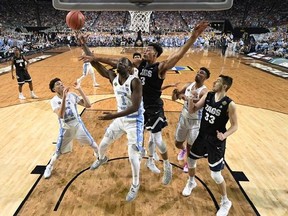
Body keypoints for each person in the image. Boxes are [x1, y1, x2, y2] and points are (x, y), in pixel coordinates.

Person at [82, 21, 209, 185]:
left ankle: (166, 165)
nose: (145, 50)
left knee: (157, 141)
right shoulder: (138, 64)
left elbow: (177, 56)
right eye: (145, 49)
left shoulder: (160, 67)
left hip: (154, 108)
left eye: (148, 50)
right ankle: (148, 161)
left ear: (155, 54)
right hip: (140, 109)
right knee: (141, 140)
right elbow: (119, 63)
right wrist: (95, 57)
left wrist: (193, 37)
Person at [83, 56, 145, 202]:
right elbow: (95, 63)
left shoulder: (135, 81)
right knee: (102, 145)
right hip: (119, 119)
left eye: (124, 63)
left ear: (130, 69)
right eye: (119, 62)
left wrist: (113, 116)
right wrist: (84, 45)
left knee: (132, 155)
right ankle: (102, 159)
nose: (120, 64)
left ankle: (135, 184)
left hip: (134, 121)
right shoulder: (113, 77)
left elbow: (135, 107)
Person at [183, 75, 238, 216]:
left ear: (225, 86)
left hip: (216, 142)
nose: (214, 82)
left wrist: (224, 135)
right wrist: (190, 97)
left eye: (218, 81)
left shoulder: (229, 104)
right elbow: (192, 109)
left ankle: (225, 201)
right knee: (190, 160)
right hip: (202, 136)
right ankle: (191, 182)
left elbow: (235, 126)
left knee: (215, 174)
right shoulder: (208, 95)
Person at [43, 78, 99, 179]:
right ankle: (49, 166)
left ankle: (99, 156)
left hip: (77, 125)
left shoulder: (72, 95)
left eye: (61, 83)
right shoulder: (54, 101)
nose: (61, 85)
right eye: (57, 84)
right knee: (58, 152)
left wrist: (80, 89)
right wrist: (64, 97)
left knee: (93, 144)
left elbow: (88, 105)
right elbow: (61, 115)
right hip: (66, 128)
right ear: (53, 89)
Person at [172, 67, 210, 172]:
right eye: (198, 71)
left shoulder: (204, 92)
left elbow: (194, 107)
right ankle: (183, 150)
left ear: (206, 77)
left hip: (195, 122)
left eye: (201, 73)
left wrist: (188, 98)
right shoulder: (188, 85)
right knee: (177, 143)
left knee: (190, 146)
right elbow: (176, 96)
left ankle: (188, 164)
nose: (198, 73)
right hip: (183, 118)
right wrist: (176, 93)